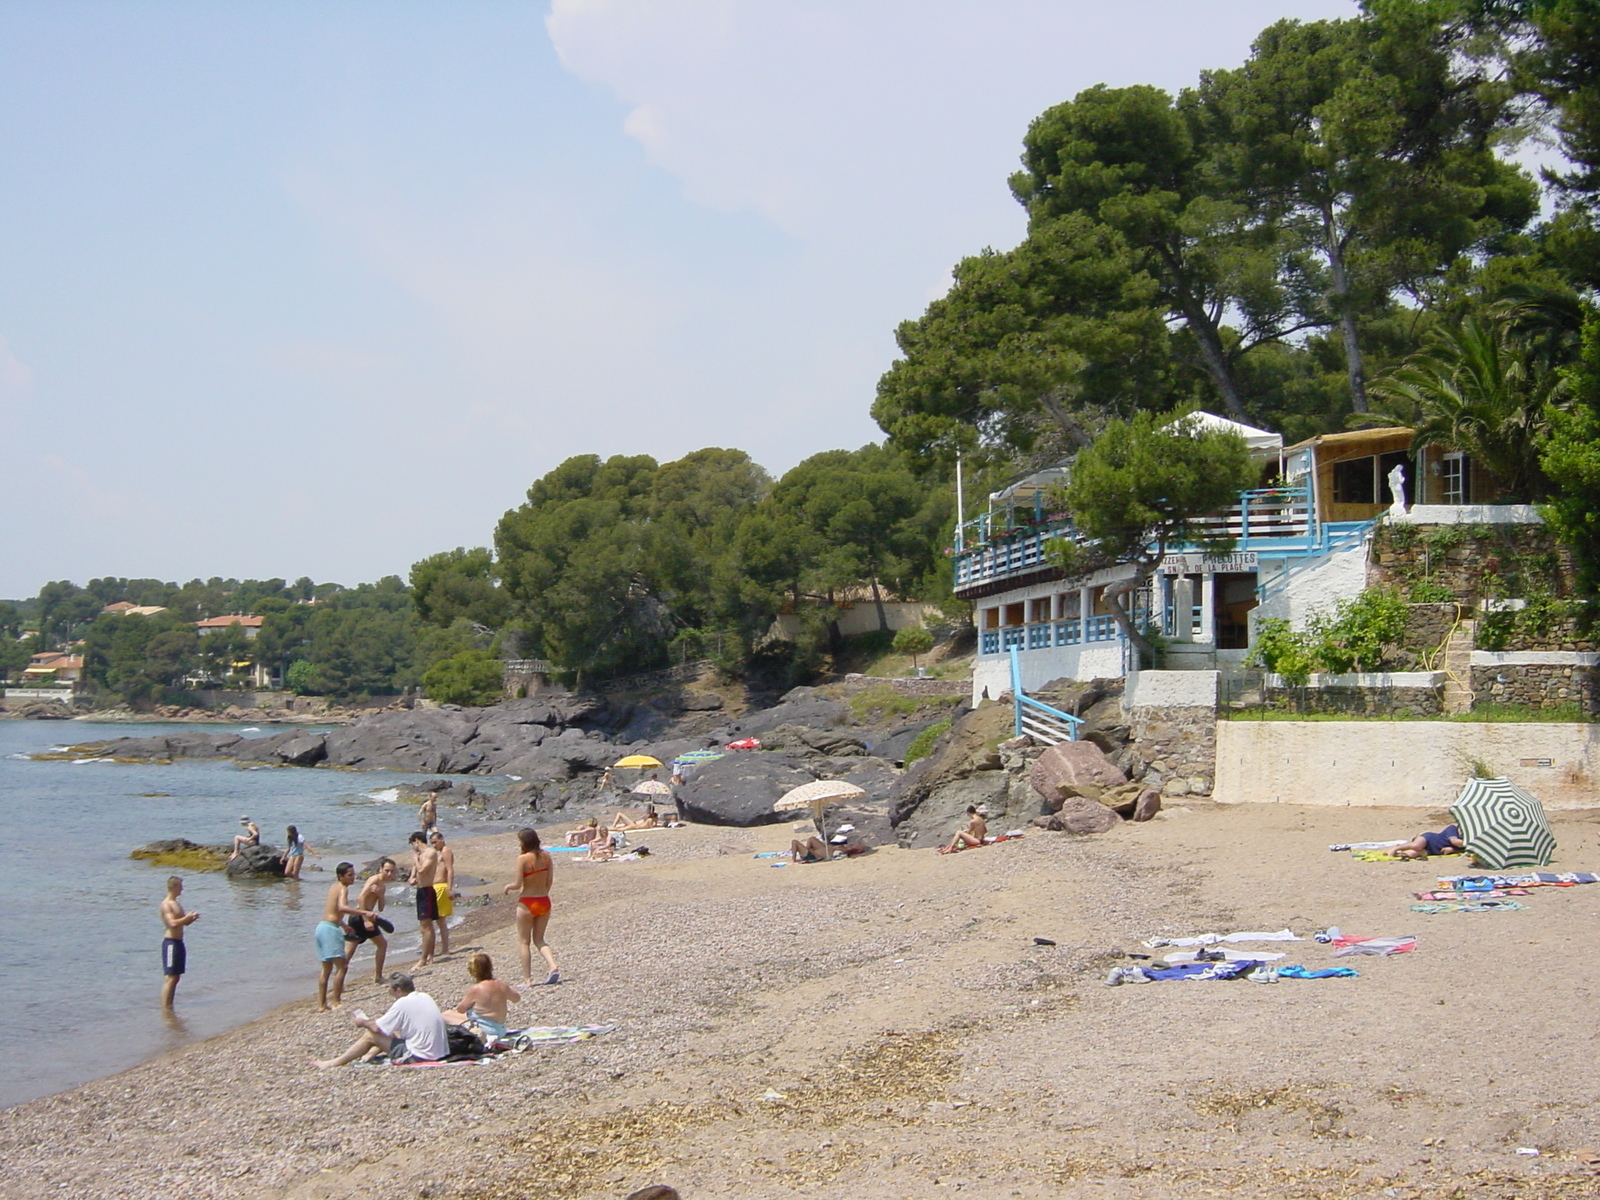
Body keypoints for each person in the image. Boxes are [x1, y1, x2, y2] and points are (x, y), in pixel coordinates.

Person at [313, 972, 449, 1068]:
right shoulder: (425, 996)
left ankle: (334, 1062)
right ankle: (367, 1056)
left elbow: (377, 1029)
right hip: (438, 1052)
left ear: (398, 990)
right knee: (390, 1033)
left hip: (421, 1056)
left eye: (389, 988)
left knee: (370, 1035)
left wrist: (362, 1023)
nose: (387, 990)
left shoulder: (402, 1003)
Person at [316, 862, 378, 1011]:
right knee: (342, 966)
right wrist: (364, 913)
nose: (353, 877)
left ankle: (322, 1005)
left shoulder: (333, 887)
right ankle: (336, 1001)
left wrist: (344, 926)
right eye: (350, 875)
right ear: (340, 876)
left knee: (326, 969)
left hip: (322, 928)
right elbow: (342, 907)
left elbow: (333, 911)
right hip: (330, 930)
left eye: (353, 874)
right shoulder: (343, 888)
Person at [503, 827, 560, 987]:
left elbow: (518, 883)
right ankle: (552, 965)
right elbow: (549, 881)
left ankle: (527, 980)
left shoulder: (523, 859)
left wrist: (508, 887)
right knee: (540, 939)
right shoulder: (546, 856)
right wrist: (543, 893)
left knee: (524, 942)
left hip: (527, 902)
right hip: (543, 901)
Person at [442, 953, 522, 1045]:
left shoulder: (476, 989)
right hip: (500, 1029)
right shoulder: (501, 984)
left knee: (443, 1016)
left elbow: (461, 1009)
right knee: (448, 1013)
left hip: (483, 1031)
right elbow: (516, 998)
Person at [344, 858, 397, 982]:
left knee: (382, 944)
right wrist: (365, 920)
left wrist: (380, 895)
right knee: (349, 952)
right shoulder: (374, 880)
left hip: (369, 918)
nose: (389, 874)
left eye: (392, 872)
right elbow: (360, 898)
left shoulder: (382, 885)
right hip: (359, 918)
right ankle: (338, 981)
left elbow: (381, 908)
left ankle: (378, 976)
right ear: (380, 869)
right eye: (387, 871)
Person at [160, 876, 199, 1009]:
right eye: (180, 886)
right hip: (170, 943)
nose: (182, 889)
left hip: (179, 942)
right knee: (170, 977)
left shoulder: (176, 903)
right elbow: (172, 923)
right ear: (174, 887)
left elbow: (183, 923)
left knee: (176, 977)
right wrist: (185, 918)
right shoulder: (166, 904)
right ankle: (165, 1008)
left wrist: (191, 919)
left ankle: (170, 1005)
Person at [407, 830, 444, 968]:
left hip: (428, 890)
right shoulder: (419, 855)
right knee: (425, 926)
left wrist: (416, 860)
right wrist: (412, 878)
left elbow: (422, 870)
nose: (413, 847)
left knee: (426, 926)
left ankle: (423, 958)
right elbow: (415, 873)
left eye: (413, 844)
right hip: (420, 890)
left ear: (417, 841)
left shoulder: (430, 853)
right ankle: (430, 955)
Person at [429, 829, 457, 953]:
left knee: (440, 920)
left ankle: (445, 948)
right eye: (432, 843)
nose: (434, 845)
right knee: (437, 919)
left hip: (441, 886)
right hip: (435, 887)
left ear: (441, 839)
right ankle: (441, 948)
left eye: (435, 842)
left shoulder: (446, 851)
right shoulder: (439, 852)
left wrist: (449, 888)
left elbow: (450, 869)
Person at [1391, 824, 1466, 859]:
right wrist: (1469, 844)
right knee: (1417, 846)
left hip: (1434, 850)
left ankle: (1400, 854)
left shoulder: (1468, 841)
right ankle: (1397, 848)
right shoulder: (1452, 828)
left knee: (1413, 853)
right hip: (1430, 839)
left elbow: (1464, 850)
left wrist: (1454, 850)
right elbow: (1455, 841)